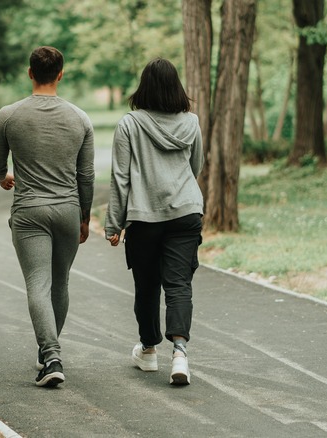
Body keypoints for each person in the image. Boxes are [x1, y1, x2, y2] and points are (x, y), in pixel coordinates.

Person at [0, 46, 94, 388]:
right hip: (67, 209)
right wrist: (84, 217)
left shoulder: (9, 115)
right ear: (60, 74)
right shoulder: (80, 118)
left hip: (29, 211)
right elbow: (86, 175)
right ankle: (50, 352)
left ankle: (50, 354)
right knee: (59, 283)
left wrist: (4, 177)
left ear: (30, 73)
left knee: (38, 283)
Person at [104, 58, 204, 386]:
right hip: (186, 211)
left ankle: (148, 351)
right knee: (178, 284)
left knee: (147, 286)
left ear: (143, 86)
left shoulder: (130, 124)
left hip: (144, 216)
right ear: (177, 87)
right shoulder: (192, 122)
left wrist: (113, 224)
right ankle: (180, 354)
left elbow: (120, 177)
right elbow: (196, 165)